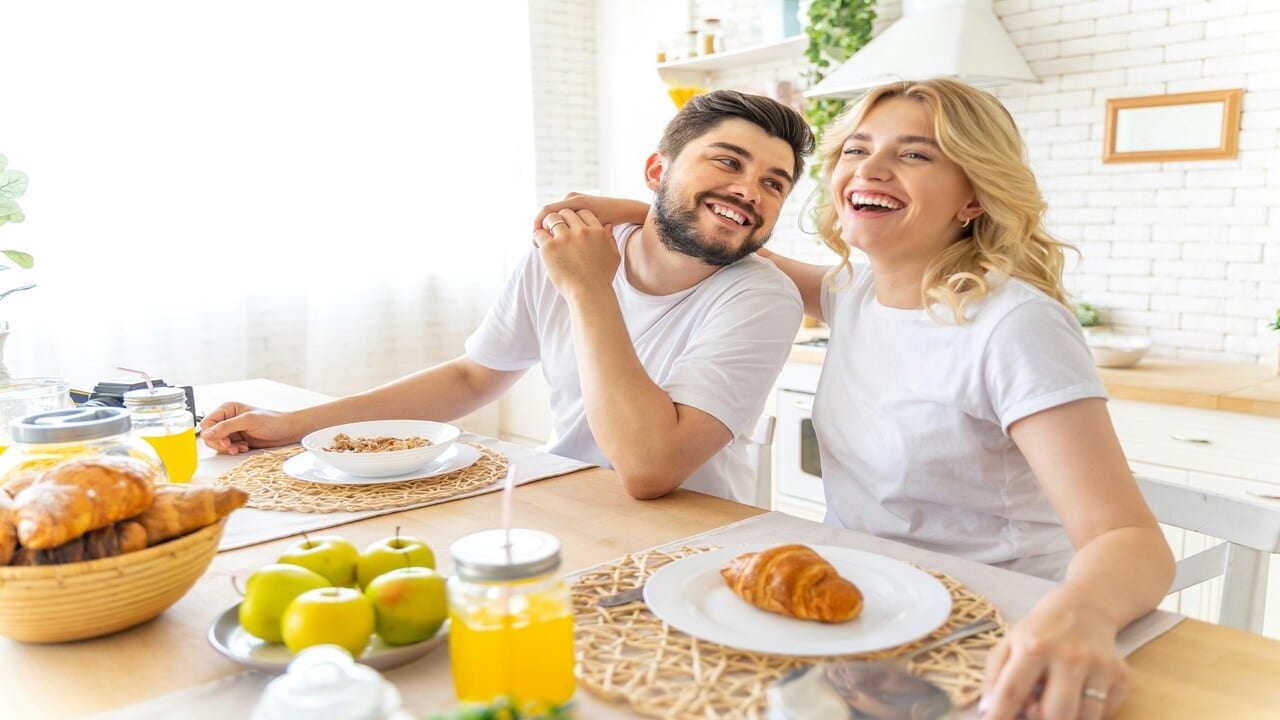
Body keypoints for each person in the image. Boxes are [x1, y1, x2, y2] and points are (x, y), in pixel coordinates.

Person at [543, 79, 1175, 720]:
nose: (869, 169)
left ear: (975, 196)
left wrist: (1079, 618)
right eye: (856, 149)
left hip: (995, 631)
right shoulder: (857, 291)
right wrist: (625, 206)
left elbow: (1130, 539)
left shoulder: (1013, 324)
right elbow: (713, 231)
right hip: (865, 616)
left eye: (916, 154)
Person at [201, 90, 812, 504]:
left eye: (772, 184)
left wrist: (587, 288)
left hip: (689, 529)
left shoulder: (761, 298)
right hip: (562, 498)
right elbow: (472, 378)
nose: (748, 190)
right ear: (656, 172)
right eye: (726, 162)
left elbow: (650, 469)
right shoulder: (568, 254)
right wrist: (291, 426)